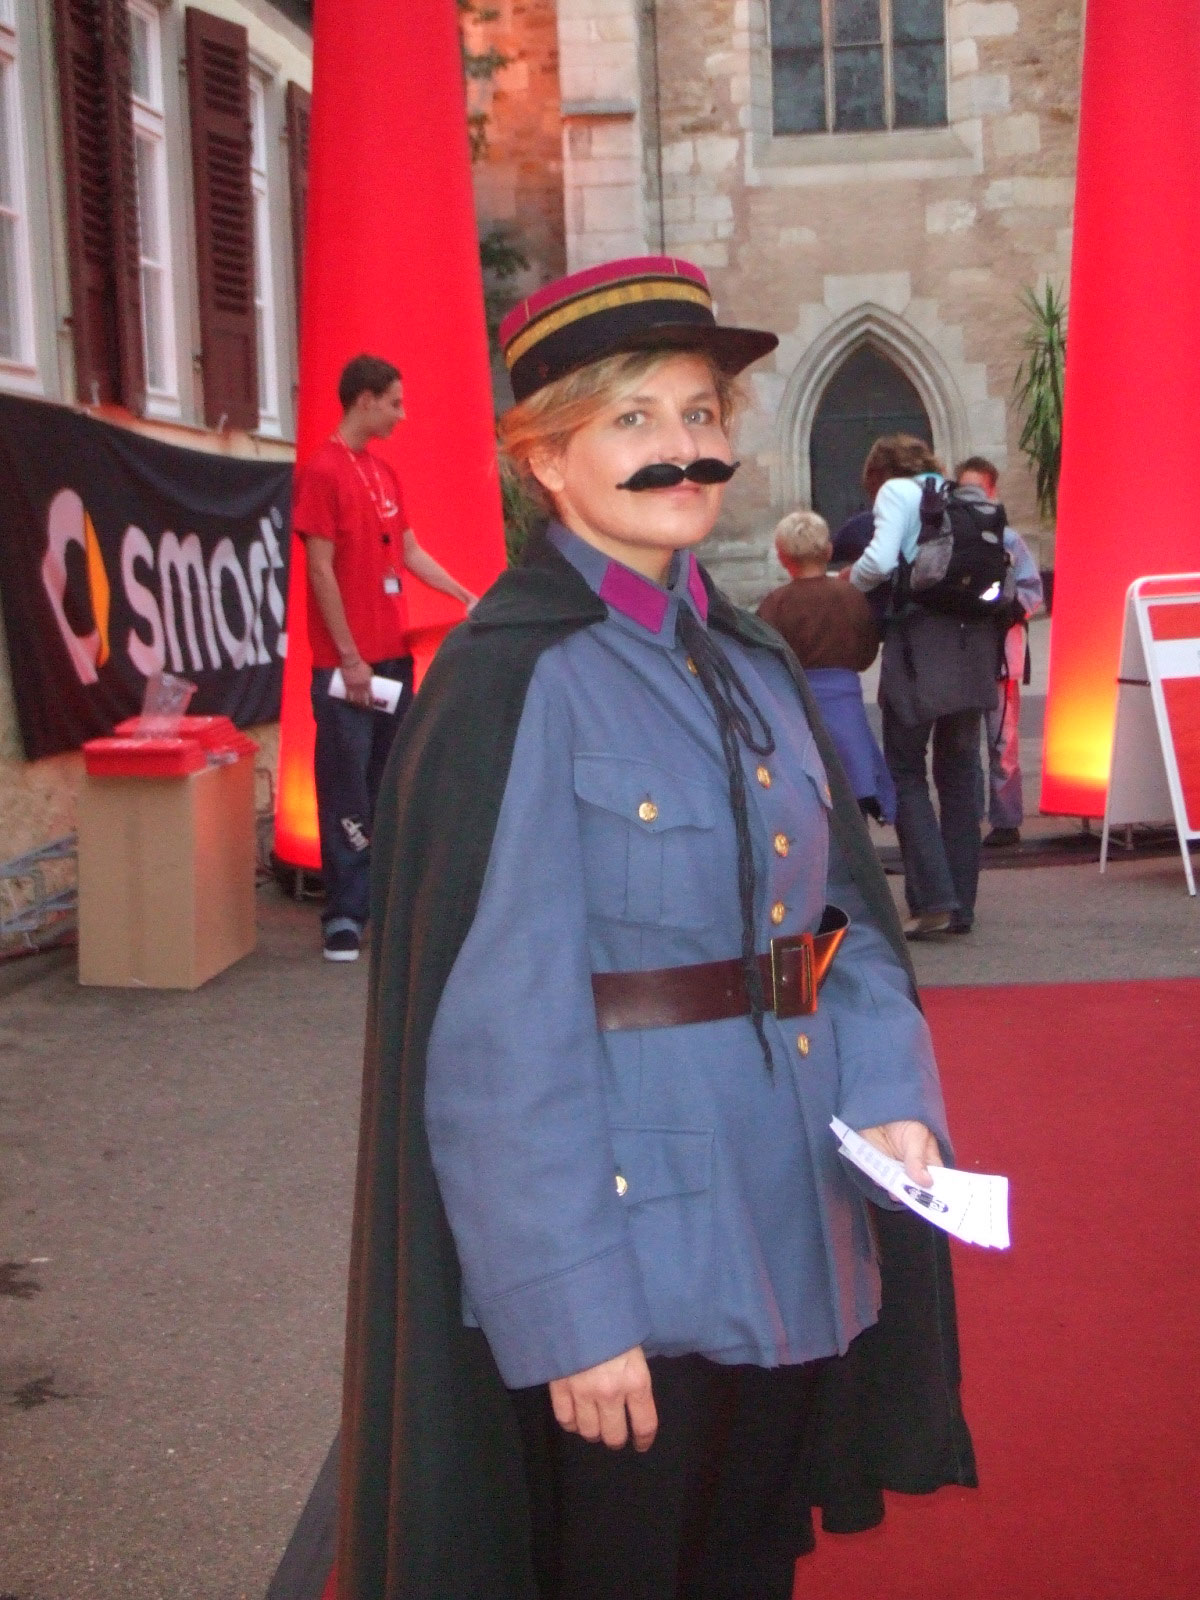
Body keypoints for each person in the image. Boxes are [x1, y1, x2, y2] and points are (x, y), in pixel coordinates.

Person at [335, 259, 974, 1600]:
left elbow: (842, 926)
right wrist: (570, 1309)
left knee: (745, 1569)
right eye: (632, 420)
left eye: (698, 413)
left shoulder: (750, 664)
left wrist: (892, 1092)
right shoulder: (514, 683)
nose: (681, 448)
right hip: (632, 1264)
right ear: (545, 461)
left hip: (795, 1221)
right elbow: (495, 1046)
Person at [291, 353, 477, 962]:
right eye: (395, 402)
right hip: (349, 668)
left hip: (394, 660)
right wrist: (348, 657)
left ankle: (393, 905)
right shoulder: (323, 472)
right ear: (365, 399)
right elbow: (320, 570)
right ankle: (345, 914)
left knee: (394, 784)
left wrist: (463, 595)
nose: (402, 414)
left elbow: (410, 553)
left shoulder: (384, 472)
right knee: (346, 789)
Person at [840, 434, 999, 939]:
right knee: (960, 774)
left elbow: (880, 562)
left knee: (906, 771)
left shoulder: (897, 492)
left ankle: (933, 900)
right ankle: (962, 904)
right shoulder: (949, 493)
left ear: (877, 473)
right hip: (971, 646)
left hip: (920, 648)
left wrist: (845, 582)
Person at [757, 509, 895, 823]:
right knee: (853, 786)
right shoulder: (852, 596)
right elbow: (866, 652)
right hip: (846, 704)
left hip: (797, 706)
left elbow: (765, 660)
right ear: (829, 551)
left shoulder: (775, 603)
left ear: (782, 557)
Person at [955, 456, 1045, 848]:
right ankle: (967, 818)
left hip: (1001, 657)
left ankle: (1006, 821)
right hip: (963, 656)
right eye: (965, 491)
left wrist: (1008, 610)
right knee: (962, 744)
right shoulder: (951, 539)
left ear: (993, 492)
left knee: (1002, 742)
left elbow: (1032, 591)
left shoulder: (1009, 541)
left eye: (978, 491)